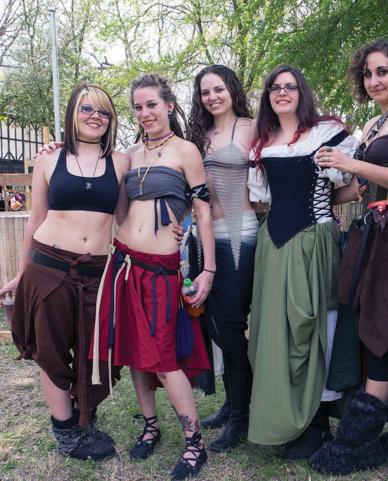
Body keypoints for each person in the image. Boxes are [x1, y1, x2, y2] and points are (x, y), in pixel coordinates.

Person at [309, 39, 388, 475]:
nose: (374, 80)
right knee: (367, 327)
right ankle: (379, 425)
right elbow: (362, 186)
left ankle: (368, 436)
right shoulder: (374, 123)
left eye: (383, 71)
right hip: (372, 234)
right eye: (367, 73)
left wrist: (354, 164)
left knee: (384, 327)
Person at [91, 74, 216, 481]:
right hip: (124, 262)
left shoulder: (186, 151)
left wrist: (207, 268)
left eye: (151, 105)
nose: (145, 113)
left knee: (163, 359)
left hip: (162, 270)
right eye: (139, 107)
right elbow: (118, 209)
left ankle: (194, 444)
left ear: (169, 106)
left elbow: (202, 212)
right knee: (133, 352)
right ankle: (150, 424)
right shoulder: (128, 154)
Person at [0, 83, 127, 460]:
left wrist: (169, 227)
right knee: (51, 350)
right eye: (87, 109)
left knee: (94, 352)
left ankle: (86, 418)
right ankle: (67, 432)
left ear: (111, 120)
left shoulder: (121, 162)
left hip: (97, 274)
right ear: (73, 113)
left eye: (104, 112)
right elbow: (35, 220)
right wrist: (22, 274)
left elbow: (126, 217)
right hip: (49, 267)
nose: (95, 117)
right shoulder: (48, 159)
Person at [246, 64, 357, 460]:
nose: (282, 92)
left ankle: (318, 423)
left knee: (314, 327)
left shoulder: (328, 132)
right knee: (276, 332)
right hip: (274, 245)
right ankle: (287, 418)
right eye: (274, 87)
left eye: (290, 86)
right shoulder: (262, 142)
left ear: (302, 92)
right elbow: (262, 199)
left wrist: (324, 205)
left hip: (314, 240)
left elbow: (350, 185)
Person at [188, 64, 258, 452]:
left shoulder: (253, 128)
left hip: (241, 234)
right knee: (213, 324)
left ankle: (240, 419)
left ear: (232, 88)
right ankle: (232, 402)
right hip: (204, 238)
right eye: (204, 92)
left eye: (218, 89)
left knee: (231, 326)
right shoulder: (199, 135)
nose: (212, 97)